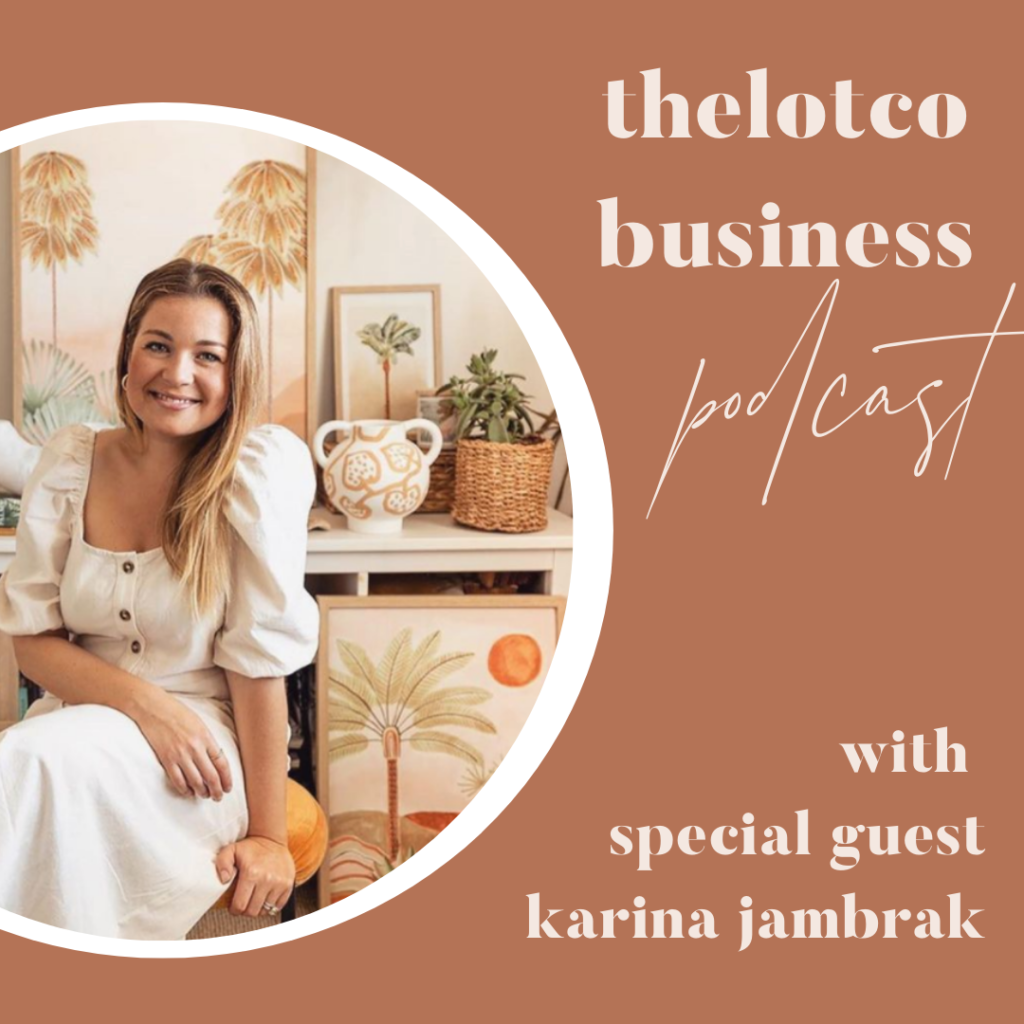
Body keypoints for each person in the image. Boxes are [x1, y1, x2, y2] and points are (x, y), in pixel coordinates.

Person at [0, 259, 319, 940]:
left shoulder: (253, 478)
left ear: (236, 376)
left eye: (208, 355)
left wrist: (268, 836)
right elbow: (32, 641)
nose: (177, 373)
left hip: (203, 760)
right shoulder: (70, 463)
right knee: (29, 763)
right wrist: (146, 707)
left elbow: (258, 669)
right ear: (128, 355)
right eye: (157, 345)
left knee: (23, 764)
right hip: (79, 725)